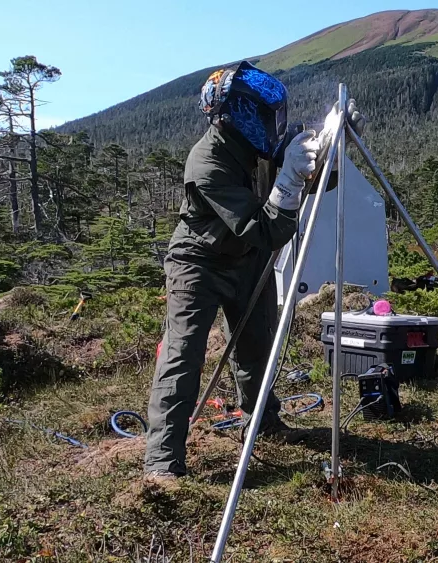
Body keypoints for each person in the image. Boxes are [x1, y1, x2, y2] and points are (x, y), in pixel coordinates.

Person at [143, 61, 365, 482]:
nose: (274, 124)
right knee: (183, 355)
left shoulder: (262, 145)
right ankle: (162, 461)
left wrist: (334, 145)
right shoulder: (207, 163)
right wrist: (289, 180)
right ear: (238, 115)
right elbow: (264, 229)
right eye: (265, 115)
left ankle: (262, 419)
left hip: (246, 260)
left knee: (256, 347)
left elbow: (310, 177)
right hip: (199, 263)